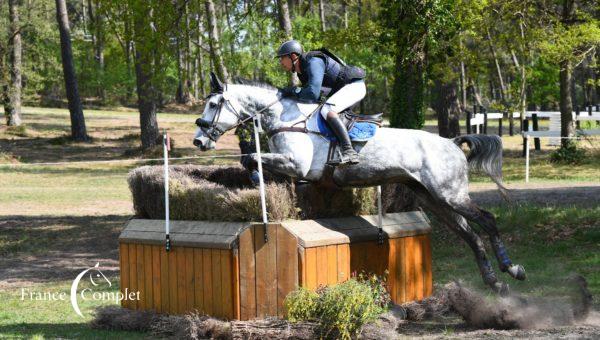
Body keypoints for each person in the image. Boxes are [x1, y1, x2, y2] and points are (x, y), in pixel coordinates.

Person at [277, 40, 366, 165]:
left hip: (354, 86)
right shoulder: (302, 72)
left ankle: (349, 151)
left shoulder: (313, 61)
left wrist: (292, 90)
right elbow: (313, 96)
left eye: (282, 58)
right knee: (319, 113)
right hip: (342, 89)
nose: (280, 62)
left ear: (293, 56)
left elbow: (312, 94)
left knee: (327, 110)